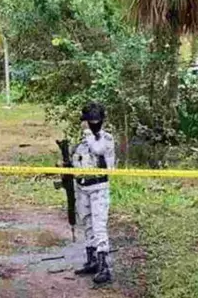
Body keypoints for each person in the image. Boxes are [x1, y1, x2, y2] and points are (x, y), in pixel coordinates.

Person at [72, 101, 115, 284]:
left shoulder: (106, 139)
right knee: (87, 223)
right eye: (89, 120)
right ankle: (92, 261)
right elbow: (77, 163)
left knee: (99, 226)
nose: (91, 124)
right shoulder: (82, 142)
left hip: (99, 187)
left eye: (93, 120)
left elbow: (97, 150)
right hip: (83, 188)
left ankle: (104, 266)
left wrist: (89, 132)